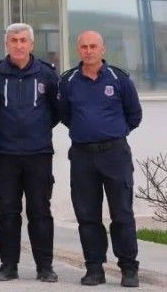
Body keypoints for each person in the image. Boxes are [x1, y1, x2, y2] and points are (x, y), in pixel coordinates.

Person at [59, 31, 143, 288]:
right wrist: (88, 132)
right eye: (84, 47)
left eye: (93, 46)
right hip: (83, 156)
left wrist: (112, 132)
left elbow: (134, 115)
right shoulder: (68, 81)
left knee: (122, 213)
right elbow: (65, 115)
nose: (88, 51)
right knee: (87, 215)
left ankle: (128, 268)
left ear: (103, 49)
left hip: (115, 155)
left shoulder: (119, 79)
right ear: (78, 50)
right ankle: (94, 268)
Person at [0, 23, 60, 283]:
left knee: (40, 211)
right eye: (14, 40)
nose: (18, 45)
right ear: (6, 44)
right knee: (8, 212)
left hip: (38, 154)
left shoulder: (47, 74)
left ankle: (45, 267)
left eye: (23, 40)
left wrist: (36, 129)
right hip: (4, 155)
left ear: (31, 44)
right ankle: (8, 266)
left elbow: (56, 111)